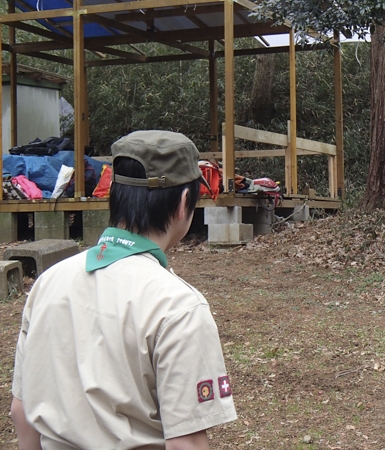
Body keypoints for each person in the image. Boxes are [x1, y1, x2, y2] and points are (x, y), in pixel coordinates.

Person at [11, 130, 237, 449]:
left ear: (114, 195)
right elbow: (185, 442)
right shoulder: (178, 306)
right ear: (185, 202)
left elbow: (22, 411)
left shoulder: (49, 281)